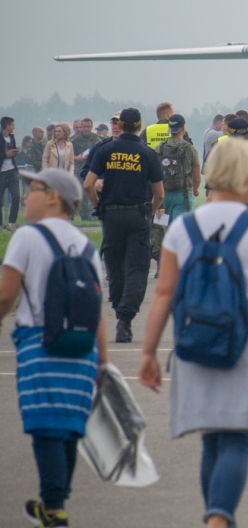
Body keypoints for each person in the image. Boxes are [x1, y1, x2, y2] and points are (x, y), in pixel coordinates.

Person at [138, 138, 248, 528]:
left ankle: (214, 515)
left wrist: (148, 352)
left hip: (195, 340)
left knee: (212, 437)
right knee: (238, 437)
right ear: (242, 175)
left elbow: (164, 293)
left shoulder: (183, 227)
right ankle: (219, 518)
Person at [0, 168, 109, 528]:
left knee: (45, 424)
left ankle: (55, 506)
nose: (26, 197)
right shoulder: (86, 246)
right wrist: (102, 362)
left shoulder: (27, 237)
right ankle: (57, 501)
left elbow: (5, 294)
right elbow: (97, 310)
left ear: (53, 197)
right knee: (69, 424)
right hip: (81, 349)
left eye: (32, 190)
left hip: (39, 344)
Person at [84, 107, 164, 343]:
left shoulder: (105, 149)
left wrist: (99, 206)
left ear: (122, 125)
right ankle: (125, 319)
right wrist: (150, 209)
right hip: (137, 214)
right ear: (139, 126)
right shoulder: (147, 153)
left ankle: (119, 306)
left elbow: (89, 184)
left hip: (111, 215)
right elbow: (159, 192)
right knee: (137, 267)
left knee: (114, 263)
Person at [153, 114, 202, 277]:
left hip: (162, 197)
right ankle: (181, 266)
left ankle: (162, 266)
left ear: (170, 128)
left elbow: (154, 174)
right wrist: (195, 188)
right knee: (181, 231)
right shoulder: (189, 148)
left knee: (161, 231)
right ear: (182, 128)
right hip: (183, 196)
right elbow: (196, 173)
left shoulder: (159, 148)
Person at [1, 116, 20, 230]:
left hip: (12, 171)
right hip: (1, 173)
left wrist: (14, 152)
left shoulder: (12, 137)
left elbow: (11, 151)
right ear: (7, 125)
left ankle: (11, 223)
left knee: (16, 196)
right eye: (13, 125)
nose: (14, 127)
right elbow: (4, 154)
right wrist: (5, 155)